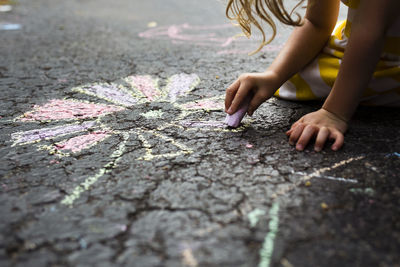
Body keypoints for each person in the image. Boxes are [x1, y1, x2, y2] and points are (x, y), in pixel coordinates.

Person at [224, 0, 400, 152]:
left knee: (332, 81)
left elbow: (370, 31)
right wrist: (274, 75)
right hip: (367, 39)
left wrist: (334, 113)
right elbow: (317, 23)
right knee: (304, 74)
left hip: (380, 42)